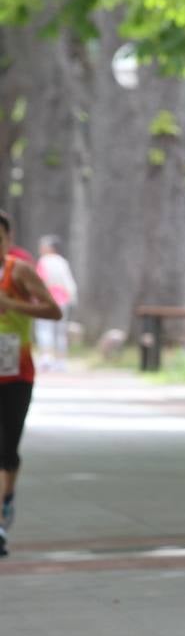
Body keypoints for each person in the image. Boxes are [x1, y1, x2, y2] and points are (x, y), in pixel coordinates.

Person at [0, 211, 62, 556]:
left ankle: (6, 499)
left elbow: (55, 310)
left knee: (7, 449)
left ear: (7, 239)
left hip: (17, 373)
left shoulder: (18, 272)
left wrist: (12, 305)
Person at [34, 235, 77, 372]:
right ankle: (61, 361)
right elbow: (69, 283)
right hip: (63, 300)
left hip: (47, 300)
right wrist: (71, 298)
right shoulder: (62, 262)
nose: (41, 249)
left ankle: (47, 358)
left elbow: (40, 281)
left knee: (44, 329)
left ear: (50, 248)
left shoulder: (44, 261)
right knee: (60, 331)